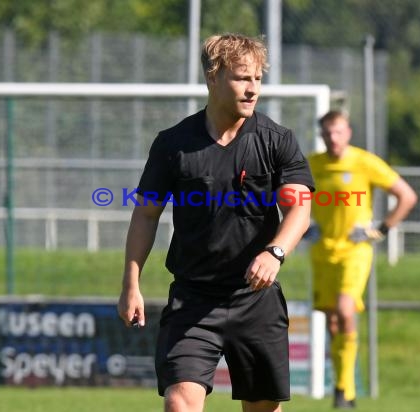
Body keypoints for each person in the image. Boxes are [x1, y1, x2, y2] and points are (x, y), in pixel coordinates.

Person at [117, 33, 315, 412]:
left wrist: (275, 252)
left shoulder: (277, 141)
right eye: (242, 77)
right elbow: (145, 215)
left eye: (257, 79)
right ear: (213, 77)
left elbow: (299, 209)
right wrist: (131, 284)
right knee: (180, 404)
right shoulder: (173, 144)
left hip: (256, 300)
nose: (252, 89)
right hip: (193, 299)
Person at [307, 110, 417, 409]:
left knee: (345, 309)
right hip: (323, 251)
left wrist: (380, 230)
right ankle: (342, 387)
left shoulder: (363, 162)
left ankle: (346, 389)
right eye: (328, 133)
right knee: (332, 321)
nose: (333, 138)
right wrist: (303, 224)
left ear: (348, 132)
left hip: (355, 251)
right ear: (322, 135)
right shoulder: (312, 165)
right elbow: (288, 195)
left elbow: (406, 196)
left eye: (338, 132)